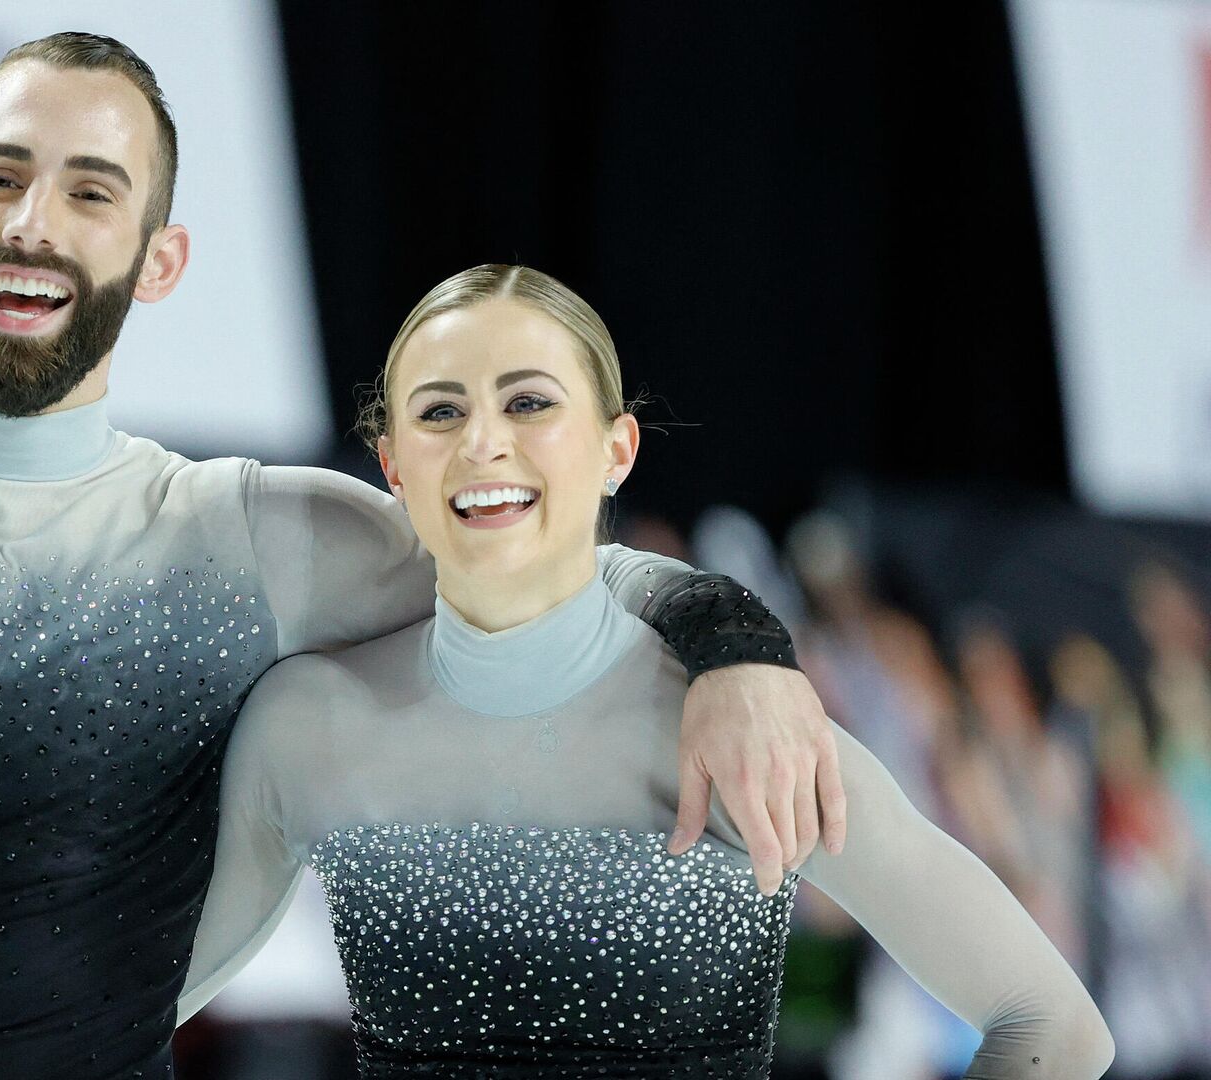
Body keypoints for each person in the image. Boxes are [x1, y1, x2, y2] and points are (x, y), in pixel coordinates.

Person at [0, 33, 844, 1080]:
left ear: (160, 260)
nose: (35, 222)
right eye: (0, 177)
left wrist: (736, 644)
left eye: (93, 193)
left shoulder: (246, 541)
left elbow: (536, 573)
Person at [175, 265, 1114, 1077]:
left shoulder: (746, 737)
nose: (482, 442)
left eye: (530, 402)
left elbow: (1052, 1026)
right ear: (392, 465)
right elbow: (111, 1023)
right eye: (440, 411)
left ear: (617, 450)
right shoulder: (307, 725)